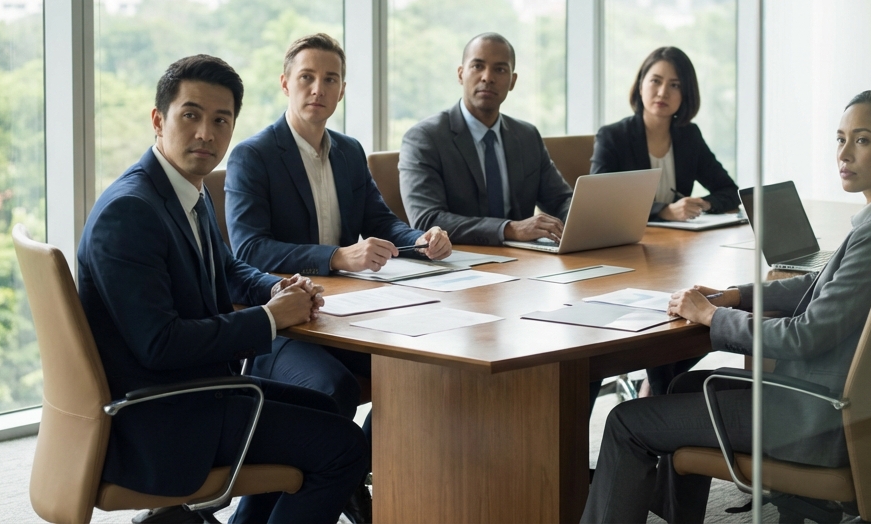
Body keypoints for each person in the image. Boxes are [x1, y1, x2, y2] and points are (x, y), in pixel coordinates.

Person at [581, 89, 871, 524]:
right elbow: (822, 284)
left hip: (814, 418)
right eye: (840, 139)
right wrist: (737, 296)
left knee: (626, 421)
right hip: (858, 408)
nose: (845, 153)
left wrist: (712, 316)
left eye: (863, 140)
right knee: (682, 386)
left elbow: (805, 334)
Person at [76, 55, 367, 524]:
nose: (206, 134)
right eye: (190, 115)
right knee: (344, 449)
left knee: (328, 406)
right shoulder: (129, 212)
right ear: (158, 119)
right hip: (162, 417)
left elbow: (228, 271)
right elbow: (160, 343)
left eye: (220, 120)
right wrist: (272, 319)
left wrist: (281, 288)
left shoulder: (182, 191)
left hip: (198, 391)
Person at [226, 33, 452, 512]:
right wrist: (336, 257)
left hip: (352, 316)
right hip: (289, 326)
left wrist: (419, 239)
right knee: (334, 389)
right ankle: (325, 488)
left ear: (342, 90)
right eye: (306, 77)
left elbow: (379, 220)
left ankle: (352, 476)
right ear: (285, 83)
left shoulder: (348, 151)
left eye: (330, 79)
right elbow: (250, 247)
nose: (317, 89)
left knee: (426, 371)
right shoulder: (254, 155)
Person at [591, 46, 740, 395]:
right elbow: (599, 203)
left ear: (685, 95)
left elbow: (729, 191)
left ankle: (656, 392)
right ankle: (656, 394)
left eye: (674, 85)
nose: (662, 92)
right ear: (640, 85)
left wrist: (700, 203)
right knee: (677, 323)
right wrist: (664, 210)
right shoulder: (612, 136)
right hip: (624, 259)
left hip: (673, 258)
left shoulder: (688, 136)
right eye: (655, 81)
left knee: (696, 316)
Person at [399, 32, 574, 245]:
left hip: (526, 262)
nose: (488, 77)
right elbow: (427, 219)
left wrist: (582, 221)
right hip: (460, 263)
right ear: (460, 74)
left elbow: (560, 200)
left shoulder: (527, 136)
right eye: (477, 66)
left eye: (500, 69)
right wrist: (509, 229)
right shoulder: (425, 138)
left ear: (512, 81)